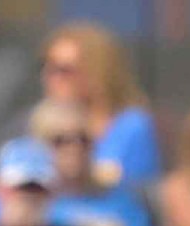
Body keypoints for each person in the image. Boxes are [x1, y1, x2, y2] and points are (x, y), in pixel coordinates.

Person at [0, 101, 153, 226]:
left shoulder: (118, 198)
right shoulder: (15, 191)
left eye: (83, 139)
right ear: (37, 143)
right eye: (60, 140)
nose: (74, 148)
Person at [40, 22, 161, 189]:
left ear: (96, 72)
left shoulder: (132, 127)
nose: (50, 78)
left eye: (64, 70)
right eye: (47, 67)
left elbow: (137, 195)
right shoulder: (38, 122)